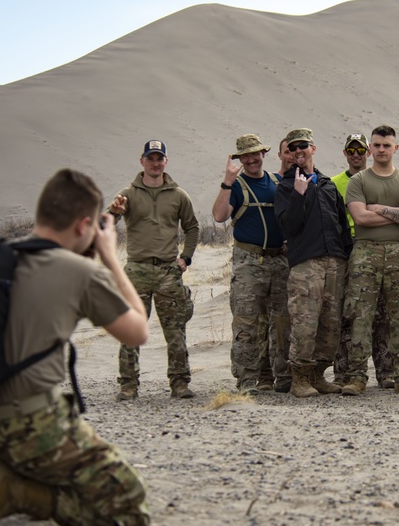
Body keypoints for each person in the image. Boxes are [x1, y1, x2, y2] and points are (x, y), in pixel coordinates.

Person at [0, 168, 151, 526]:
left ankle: (8, 463)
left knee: (31, 433)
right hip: (28, 425)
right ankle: (17, 491)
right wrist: (108, 256)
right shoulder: (78, 272)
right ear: (83, 226)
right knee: (129, 503)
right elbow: (138, 331)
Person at [109, 140, 199, 401]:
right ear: (142, 161)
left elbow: (192, 227)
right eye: (151, 158)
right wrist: (113, 211)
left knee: (175, 330)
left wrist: (186, 258)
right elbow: (107, 221)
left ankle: (180, 384)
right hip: (136, 271)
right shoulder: (128, 193)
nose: (155, 163)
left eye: (160, 158)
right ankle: (128, 385)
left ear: (166, 162)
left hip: (168, 271)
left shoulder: (179, 195)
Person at [342, 126, 399, 395]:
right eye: (376, 145)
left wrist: (379, 208)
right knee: (360, 316)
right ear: (370, 149)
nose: (380, 150)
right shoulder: (359, 181)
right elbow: (361, 218)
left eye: (386, 145)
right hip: (365, 252)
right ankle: (356, 377)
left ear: (395, 148)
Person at [274, 128, 353, 398]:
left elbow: (342, 225)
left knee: (330, 324)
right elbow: (288, 225)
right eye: (294, 148)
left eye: (304, 146)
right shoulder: (285, 187)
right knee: (305, 323)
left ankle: (319, 376)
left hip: (335, 261)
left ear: (313, 149)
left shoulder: (328, 184)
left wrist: (347, 257)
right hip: (306, 265)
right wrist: (298, 194)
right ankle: (300, 379)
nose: (299, 151)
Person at [211, 134, 290, 394]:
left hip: (279, 260)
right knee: (247, 323)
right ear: (240, 159)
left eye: (255, 153)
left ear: (263, 154)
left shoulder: (277, 182)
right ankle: (247, 380)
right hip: (248, 262)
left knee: (281, 322)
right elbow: (220, 215)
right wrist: (227, 182)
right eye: (245, 155)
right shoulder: (235, 185)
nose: (251, 159)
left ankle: (282, 376)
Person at [331, 133, 393, 388]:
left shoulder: (381, 179)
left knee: (383, 313)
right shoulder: (333, 183)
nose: (356, 155)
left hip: (380, 247)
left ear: (367, 152)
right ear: (345, 153)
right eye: (351, 150)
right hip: (347, 251)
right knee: (349, 313)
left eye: (360, 150)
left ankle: (386, 372)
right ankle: (345, 373)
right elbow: (332, 222)